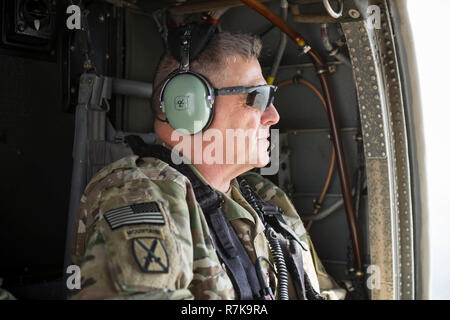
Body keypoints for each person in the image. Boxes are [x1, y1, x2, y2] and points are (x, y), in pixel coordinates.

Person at [69, 31, 345, 300]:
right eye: (258, 97)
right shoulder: (141, 196)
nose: (273, 116)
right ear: (189, 106)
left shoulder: (265, 197)